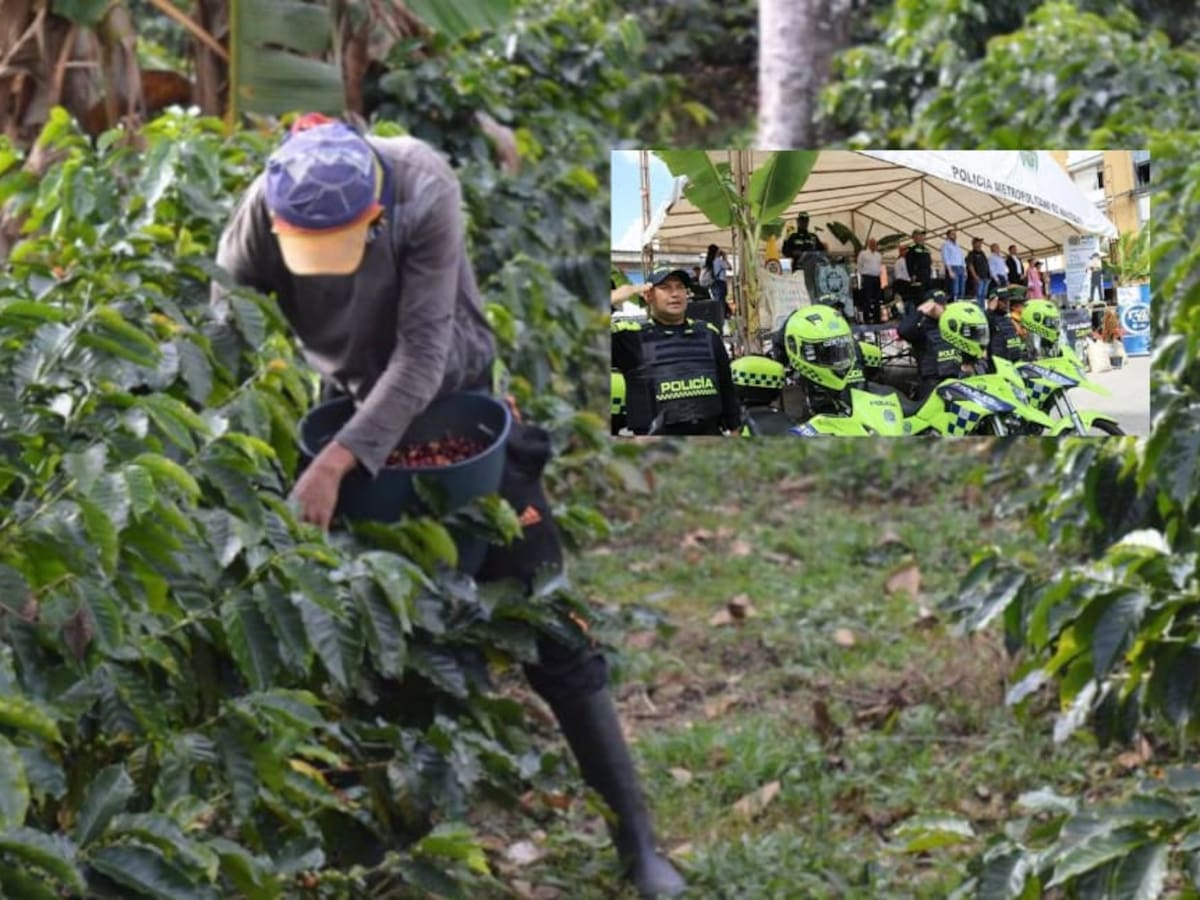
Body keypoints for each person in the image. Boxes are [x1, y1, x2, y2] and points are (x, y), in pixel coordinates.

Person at [214, 115, 685, 898]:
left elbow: (423, 356)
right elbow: (223, 322)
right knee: (377, 639)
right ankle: (389, 849)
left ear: (373, 214)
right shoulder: (262, 207)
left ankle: (637, 841)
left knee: (550, 621)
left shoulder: (421, 187)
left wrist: (332, 467)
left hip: (455, 407)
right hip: (346, 417)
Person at [611, 267, 740, 436]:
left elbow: (726, 386)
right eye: (665, 288)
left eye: (680, 287)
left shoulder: (708, 332)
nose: (675, 294)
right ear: (648, 295)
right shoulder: (630, 337)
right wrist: (615, 298)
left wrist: (735, 428)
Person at [897, 289, 965, 401]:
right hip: (932, 383)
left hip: (954, 379)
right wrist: (920, 311)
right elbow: (903, 331)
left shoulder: (951, 326)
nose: (944, 307)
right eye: (940, 304)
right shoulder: (921, 328)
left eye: (945, 303)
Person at [985, 287, 1028, 363]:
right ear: (994, 302)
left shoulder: (1008, 318)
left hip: (1013, 362)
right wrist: (990, 310)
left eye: (1007, 300)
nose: (1007, 303)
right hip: (997, 366)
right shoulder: (989, 318)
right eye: (1003, 301)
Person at [856, 237, 883, 323]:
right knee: (867, 298)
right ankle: (867, 319)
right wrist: (862, 276)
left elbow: (879, 266)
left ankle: (877, 318)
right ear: (869, 244)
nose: (874, 245)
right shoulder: (863, 254)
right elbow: (859, 265)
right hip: (867, 277)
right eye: (872, 243)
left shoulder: (878, 255)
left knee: (877, 299)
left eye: (875, 244)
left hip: (876, 278)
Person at [905, 229, 933, 296]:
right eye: (919, 235)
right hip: (918, 275)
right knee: (919, 294)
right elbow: (909, 263)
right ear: (914, 237)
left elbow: (929, 262)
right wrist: (912, 275)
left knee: (928, 293)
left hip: (927, 275)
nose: (921, 237)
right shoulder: (912, 249)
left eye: (922, 236)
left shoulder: (926, 249)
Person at [941, 229, 966, 300]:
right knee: (955, 289)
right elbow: (946, 258)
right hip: (953, 267)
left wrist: (965, 269)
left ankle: (961, 302)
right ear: (948, 235)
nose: (954, 236)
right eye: (952, 234)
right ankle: (955, 302)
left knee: (962, 289)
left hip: (960, 267)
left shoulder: (958, 245)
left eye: (955, 234)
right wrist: (950, 271)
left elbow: (962, 257)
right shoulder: (945, 245)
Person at [965, 237, 991, 307]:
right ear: (974, 244)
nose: (980, 244)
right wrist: (975, 276)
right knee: (978, 295)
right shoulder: (971, 253)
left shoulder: (982, 253)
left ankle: (982, 309)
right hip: (978, 278)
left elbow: (986, 264)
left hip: (985, 277)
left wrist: (989, 276)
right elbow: (970, 265)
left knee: (984, 295)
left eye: (980, 243)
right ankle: (978, 308)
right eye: (978, 243)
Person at [702, 244, 728, 308]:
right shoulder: (719, 261)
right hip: (720, 282)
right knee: (721, 301)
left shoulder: (708, 261)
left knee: (716, 300)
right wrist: (724, 257)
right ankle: (721, 315)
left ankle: (717, 314)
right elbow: (729, 267)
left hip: (713, 282)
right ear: (717, 252)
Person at [892, 244, 911, 313]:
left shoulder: (908, 261)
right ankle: (901, 313)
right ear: (901, 252)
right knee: (901, 300)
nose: (906, 252)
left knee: (908, 299)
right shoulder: (899, 261)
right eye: (904, 250)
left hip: (908, 282)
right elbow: (898, 274)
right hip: (901, 282)